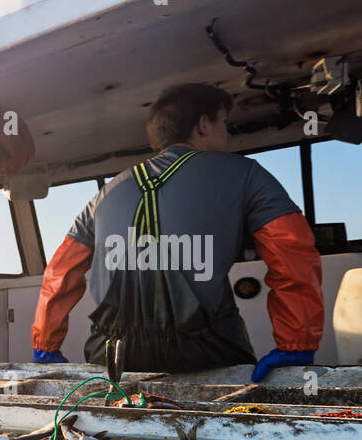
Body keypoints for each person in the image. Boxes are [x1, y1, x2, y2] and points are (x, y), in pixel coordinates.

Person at [30, 83, 323, 381]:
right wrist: (296, 344)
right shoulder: (246, 174)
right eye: (224, 122)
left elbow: (60, 271)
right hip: (207, 353)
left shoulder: (106, 192)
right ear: (204, 124)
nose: (228, 132)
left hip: (113, 359)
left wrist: (46, 346)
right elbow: (292, 252)